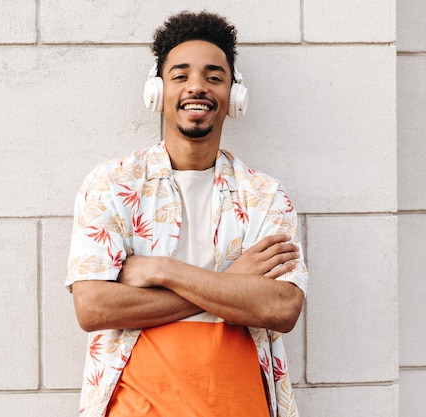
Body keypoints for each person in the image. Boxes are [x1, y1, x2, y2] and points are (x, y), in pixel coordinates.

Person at [66, 10, 308, 417]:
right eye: (180, 75)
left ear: (234, 95)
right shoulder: (112, 185)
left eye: (214, 76)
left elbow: (281, 308)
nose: (197, 86)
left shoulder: (266, 195)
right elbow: (93, 308)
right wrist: (232, 285)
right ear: (157, 92)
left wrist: (163, 270)